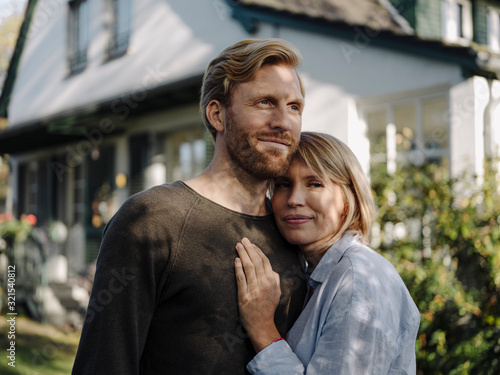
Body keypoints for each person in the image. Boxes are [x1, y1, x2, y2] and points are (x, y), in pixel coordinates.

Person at [72, 39, 308, 374]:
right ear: (217, 114)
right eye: (265, 102)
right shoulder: (151, 220)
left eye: (295, 107)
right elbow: (105, 364)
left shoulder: (295, 231)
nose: (284, 122)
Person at [234, 132, 421, 374]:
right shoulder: (318, 272)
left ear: (348, 198)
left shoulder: (358, 279)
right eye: (283, 184)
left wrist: (262, 328)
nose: (294, 199)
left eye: (314, 184)